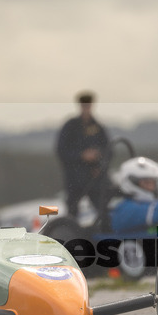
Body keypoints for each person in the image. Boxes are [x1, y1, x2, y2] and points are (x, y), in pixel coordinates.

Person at [55, 91, 112, 220]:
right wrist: (81, 156)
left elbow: (108, 150)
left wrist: (100, 165)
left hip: (94, 177)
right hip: (75, 178)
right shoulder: (70, 126)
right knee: (72, 212)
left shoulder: (98, 127)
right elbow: (62, 151)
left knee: (103, 211)